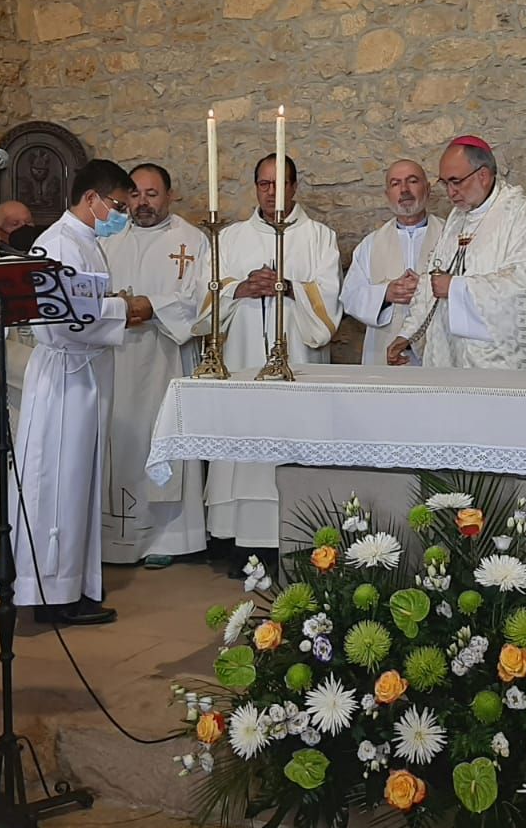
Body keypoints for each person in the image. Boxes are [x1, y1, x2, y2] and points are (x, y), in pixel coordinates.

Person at [10, 159, 135, 625]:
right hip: (63, 375)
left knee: (78, 483)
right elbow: (64, 318)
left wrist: (114, 305)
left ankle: (75, 586)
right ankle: (50, 592)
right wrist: (125, 307)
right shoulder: (58, 244)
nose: (120, 214)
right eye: (117, 206)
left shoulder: (84, 240)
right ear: (92, 200)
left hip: (82, 375)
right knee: (57, 483)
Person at [204, 154, 342, 574]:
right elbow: (204, 301)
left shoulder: (319, 237)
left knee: (290, 441)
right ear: (255, 187)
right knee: (244, 444)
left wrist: (288, 287)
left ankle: (298, 541)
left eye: (279, 184)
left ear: (294, 187)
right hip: (243, 356)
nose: (270, 192)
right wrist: (242, 288)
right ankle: (241, 542)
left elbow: (329, 305)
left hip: (295, 359)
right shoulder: (230, 238)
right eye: (263, 184)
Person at [388, 137, 526, 371]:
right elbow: (433, 280)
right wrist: (407, 334)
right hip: (454, 357)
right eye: (445, 183)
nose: (450, 192)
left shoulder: (520, 216)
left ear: (483, 175)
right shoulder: (457, 218)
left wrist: (457, 288)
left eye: (456, 182)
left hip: (501, 363)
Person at [99, 162, 210, 566]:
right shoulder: (108, 236)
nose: (142, 203)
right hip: (116, 355)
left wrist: (152, 307)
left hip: (166, 357)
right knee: (120, 440)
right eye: (135, 194)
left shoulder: (192, 239)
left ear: (169, 196)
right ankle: (115, 536)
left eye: (152, 194)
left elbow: (203, 300)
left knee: (163, 438)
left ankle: (169, 539)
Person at [342, 160, 444, 367]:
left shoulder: (448, 236)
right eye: (396, 184)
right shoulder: (371, 244)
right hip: (384, 349)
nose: (404, 190)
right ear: (387, 194)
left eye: (412, 181)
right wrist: (385, 294)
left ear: (428, 189)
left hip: (438, 349)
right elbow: (350, 296)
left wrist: (427, 288)